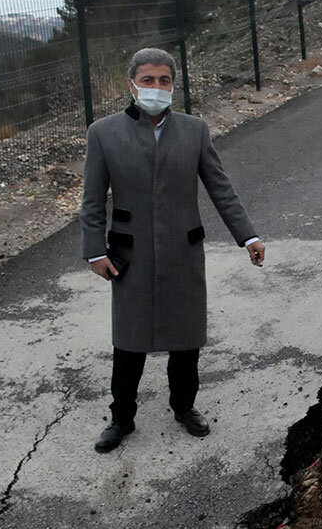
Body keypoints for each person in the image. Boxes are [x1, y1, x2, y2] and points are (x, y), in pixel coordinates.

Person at [80, 47, 267, 453]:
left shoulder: (194, 130)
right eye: (147, 80)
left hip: (184, 249)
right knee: (130, 339)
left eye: (164, 81)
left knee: (186, 337)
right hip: (128, 255)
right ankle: (122, 418)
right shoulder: (104, 133)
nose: (156, 88)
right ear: (131, 84)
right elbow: (93, 200)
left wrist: (247, 236)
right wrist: (95, 252)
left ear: (173, 86)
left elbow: (220, 187)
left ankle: (184, 407)